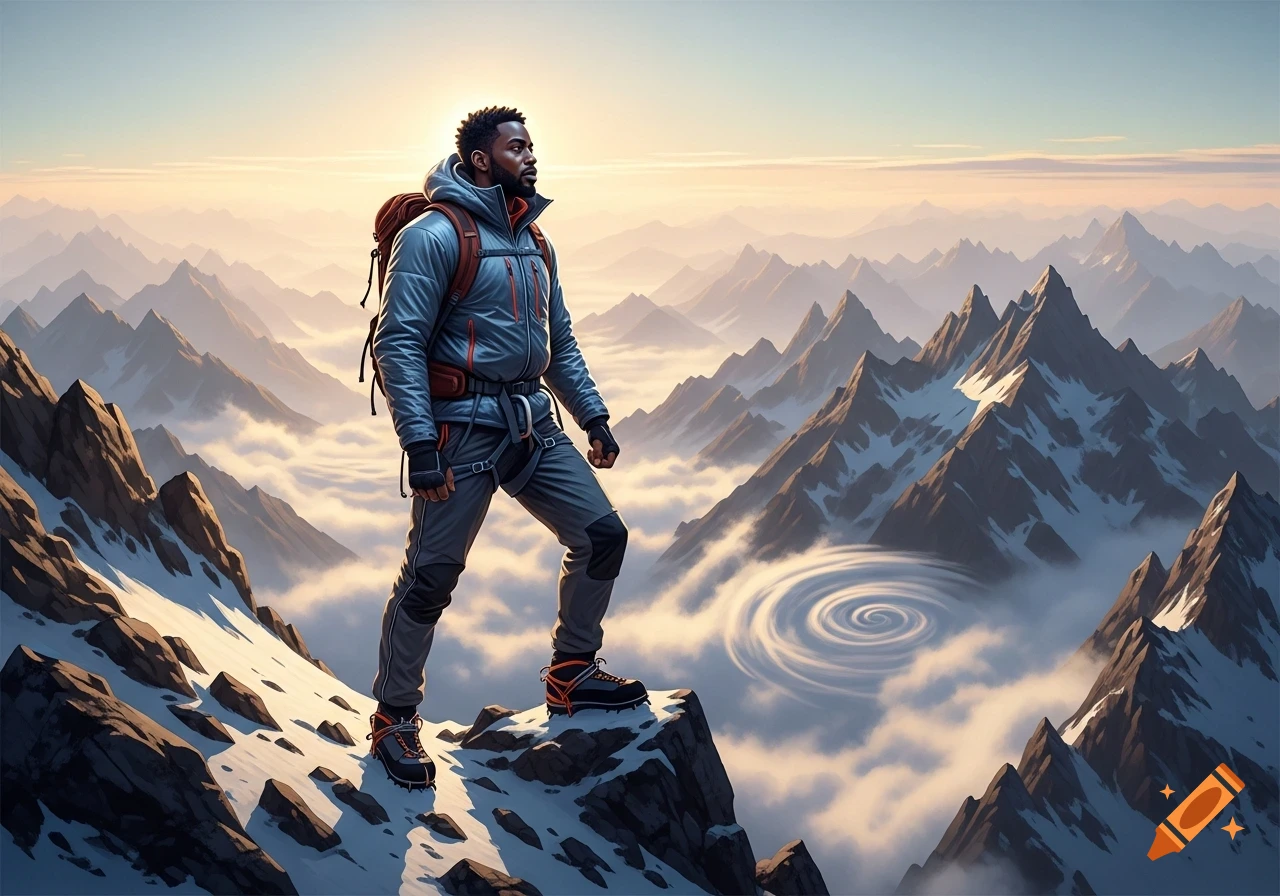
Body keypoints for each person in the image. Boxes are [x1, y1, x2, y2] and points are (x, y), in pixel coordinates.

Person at [367, 106, 648, 790]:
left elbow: (560, 343)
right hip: (458, 433)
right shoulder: (434, 235)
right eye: (516, 147)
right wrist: (419, 444)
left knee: (603, 537)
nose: (530, 156)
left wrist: (594, 417)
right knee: (430, 579)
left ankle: (571, 671)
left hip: (531, 424)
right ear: (480, 159)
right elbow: (397, 342)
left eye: (530, 145)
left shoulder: (535, 240)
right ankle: (394, 718)